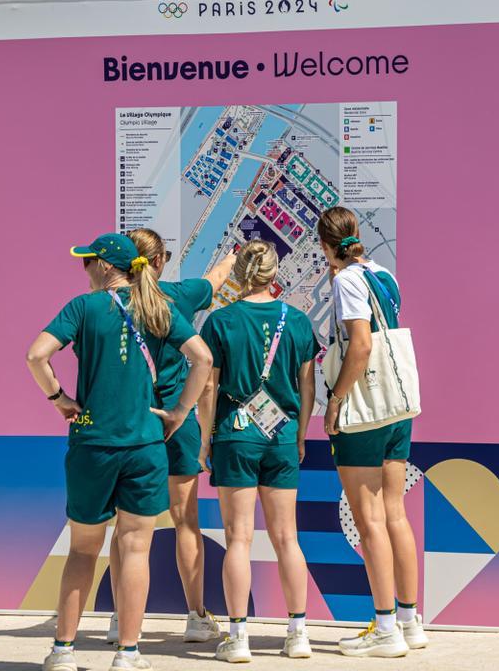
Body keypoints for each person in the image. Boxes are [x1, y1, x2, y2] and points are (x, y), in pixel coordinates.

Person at [26, 233, 213, 671]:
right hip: (146, 445)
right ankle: (128, 654)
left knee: (82, 552)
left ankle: (62, 652)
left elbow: (37, 356)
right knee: (134, 551)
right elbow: (201, 359)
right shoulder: (160, 308)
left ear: (106, 266)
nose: (84, 269)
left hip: (92, 443)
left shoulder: (82, 307)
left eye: (87, 261)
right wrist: (180, 412)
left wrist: (60, 400)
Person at [102, 228, 235, 644]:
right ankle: (196, 617)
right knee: (186, 523)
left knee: (125, 526)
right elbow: (215, 280)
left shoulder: (106, 306)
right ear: (158, 261)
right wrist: (234, 256)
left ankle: (120, 618)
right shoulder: (177, 296)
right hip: (176, 424)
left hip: (131, 423)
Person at [197, 240, 320, 663]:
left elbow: (209, 387)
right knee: (288, 537)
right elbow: (308, 388)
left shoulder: (220, 321)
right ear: (273, 273)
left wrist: (205, 439)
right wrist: (301, 434)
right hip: (282, 435)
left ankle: (238, 637)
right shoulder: (300, 321)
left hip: (235, 433)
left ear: (241, 273)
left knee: (238, 539)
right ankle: (298, 632)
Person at [318, 207, 428, 658]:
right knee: (395, 514)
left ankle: (385, 629)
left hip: (365, 410)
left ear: (325, 245)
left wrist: (337, 399)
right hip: (398, 405)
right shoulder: (384, 273)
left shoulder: (346, 281)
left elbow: (360, 344)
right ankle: (409, 620)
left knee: (369, 521)